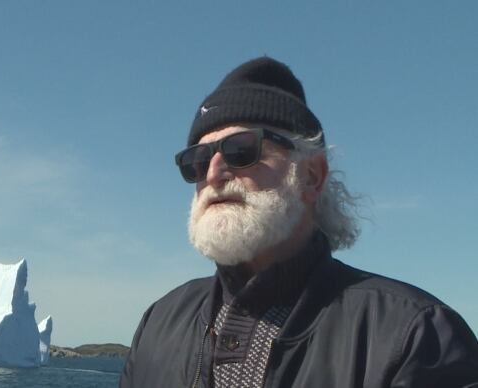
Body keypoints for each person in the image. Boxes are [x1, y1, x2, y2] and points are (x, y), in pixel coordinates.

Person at [119, 57, 478, 388]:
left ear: (311, 175)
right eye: (196, 160)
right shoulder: (158, 323)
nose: (213, 173)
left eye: (241, 150)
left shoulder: (416, 335)